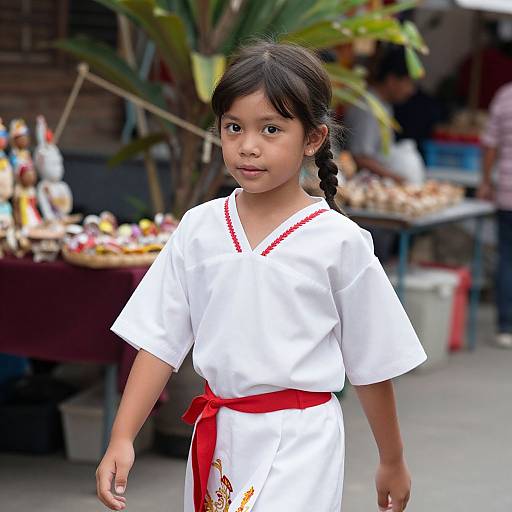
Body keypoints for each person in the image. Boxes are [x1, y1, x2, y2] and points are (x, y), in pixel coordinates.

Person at [96, 42, 427, 512]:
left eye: (271, 128)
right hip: (219, 436)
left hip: (302, 442)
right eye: (234, 127)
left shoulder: (339, 241)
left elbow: (372, 363)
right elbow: (159, 340)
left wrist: (392, 459)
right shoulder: (199, 228)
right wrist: (122, 436)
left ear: (312, 139)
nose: (248, 145)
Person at [343, 46, 418, 184]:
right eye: (408, 82)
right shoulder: (369, 107)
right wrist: (397, 178)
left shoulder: (384, 105)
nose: (411, 90)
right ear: (391, 80)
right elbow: (360, 157)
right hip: (364, 184)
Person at [477, 82, 512, 349]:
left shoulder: (505, 95)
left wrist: (486, 181)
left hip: (507, 195)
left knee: (506, 259)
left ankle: (505, 327)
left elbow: (490, 145)